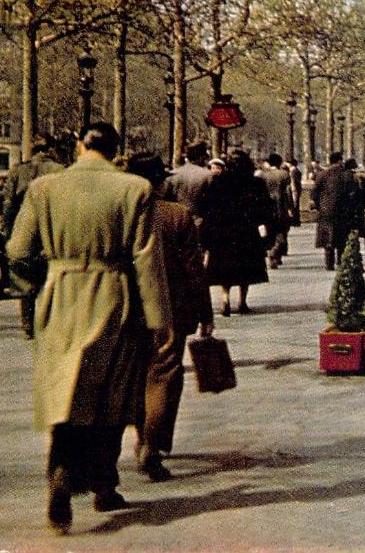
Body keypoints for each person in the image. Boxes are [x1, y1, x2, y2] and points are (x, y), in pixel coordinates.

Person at [7, 123, 170, 533]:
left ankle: (60, 472)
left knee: (65, 393)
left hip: (60, 297)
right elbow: (146, 260)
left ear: (79, 145)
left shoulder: (44, 189)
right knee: (112, 397)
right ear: (115, 151)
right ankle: (103, 483)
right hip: (114, 297)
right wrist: (158, 319)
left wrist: (37, 287)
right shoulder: (134, 189)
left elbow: (16, 250)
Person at [125, 152, 213, 483]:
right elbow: (194, 269)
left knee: (134, 376)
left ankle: (138, 437)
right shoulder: (178, 216)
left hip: (126, 307)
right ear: (161, 183)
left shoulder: (122, 215)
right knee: (163, 375)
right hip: (171, 308)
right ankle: (153, 444)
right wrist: (204, 311)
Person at [2, 134, 65, 337]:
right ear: (51, 149)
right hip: (52, 227)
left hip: (25, 226)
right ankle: (50, 323)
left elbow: (9, 204)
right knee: (51, 274)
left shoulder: (18, 170)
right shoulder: (60, 170)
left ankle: (28, 324)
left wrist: (9, 232)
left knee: (24, 277)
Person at [199, 149, 272, 316]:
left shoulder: (218, 182)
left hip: (224, 231)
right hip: (247, 231)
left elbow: (209, 208)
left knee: (225, 268)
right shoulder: (256, 183)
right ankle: (242, 302)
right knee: (245, 268)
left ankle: (225, 300)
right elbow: (264, 208)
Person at [312, 151, 363, 269]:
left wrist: (320, 205)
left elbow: (314, 193)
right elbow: (353, 194)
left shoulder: (321, 175)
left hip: (325, 211)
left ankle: (329, 263)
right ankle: (341, 262)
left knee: (328, 239)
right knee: (341, 238)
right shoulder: (346, 175)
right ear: (340, 161)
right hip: (343, 211)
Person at [258, 153, 296, 269]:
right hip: (281, 207)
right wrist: (290, 207)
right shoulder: (284, 174)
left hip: (266, 208)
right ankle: (275, 253)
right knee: (281, 232)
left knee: (270, 232)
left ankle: (272, 253)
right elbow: (289, 191)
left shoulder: (263, 175)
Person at [162, 141, 212, 216]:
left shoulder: (172, 174)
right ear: (202, 157)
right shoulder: (208, 175)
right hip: (200, 220)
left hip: (177, 219)